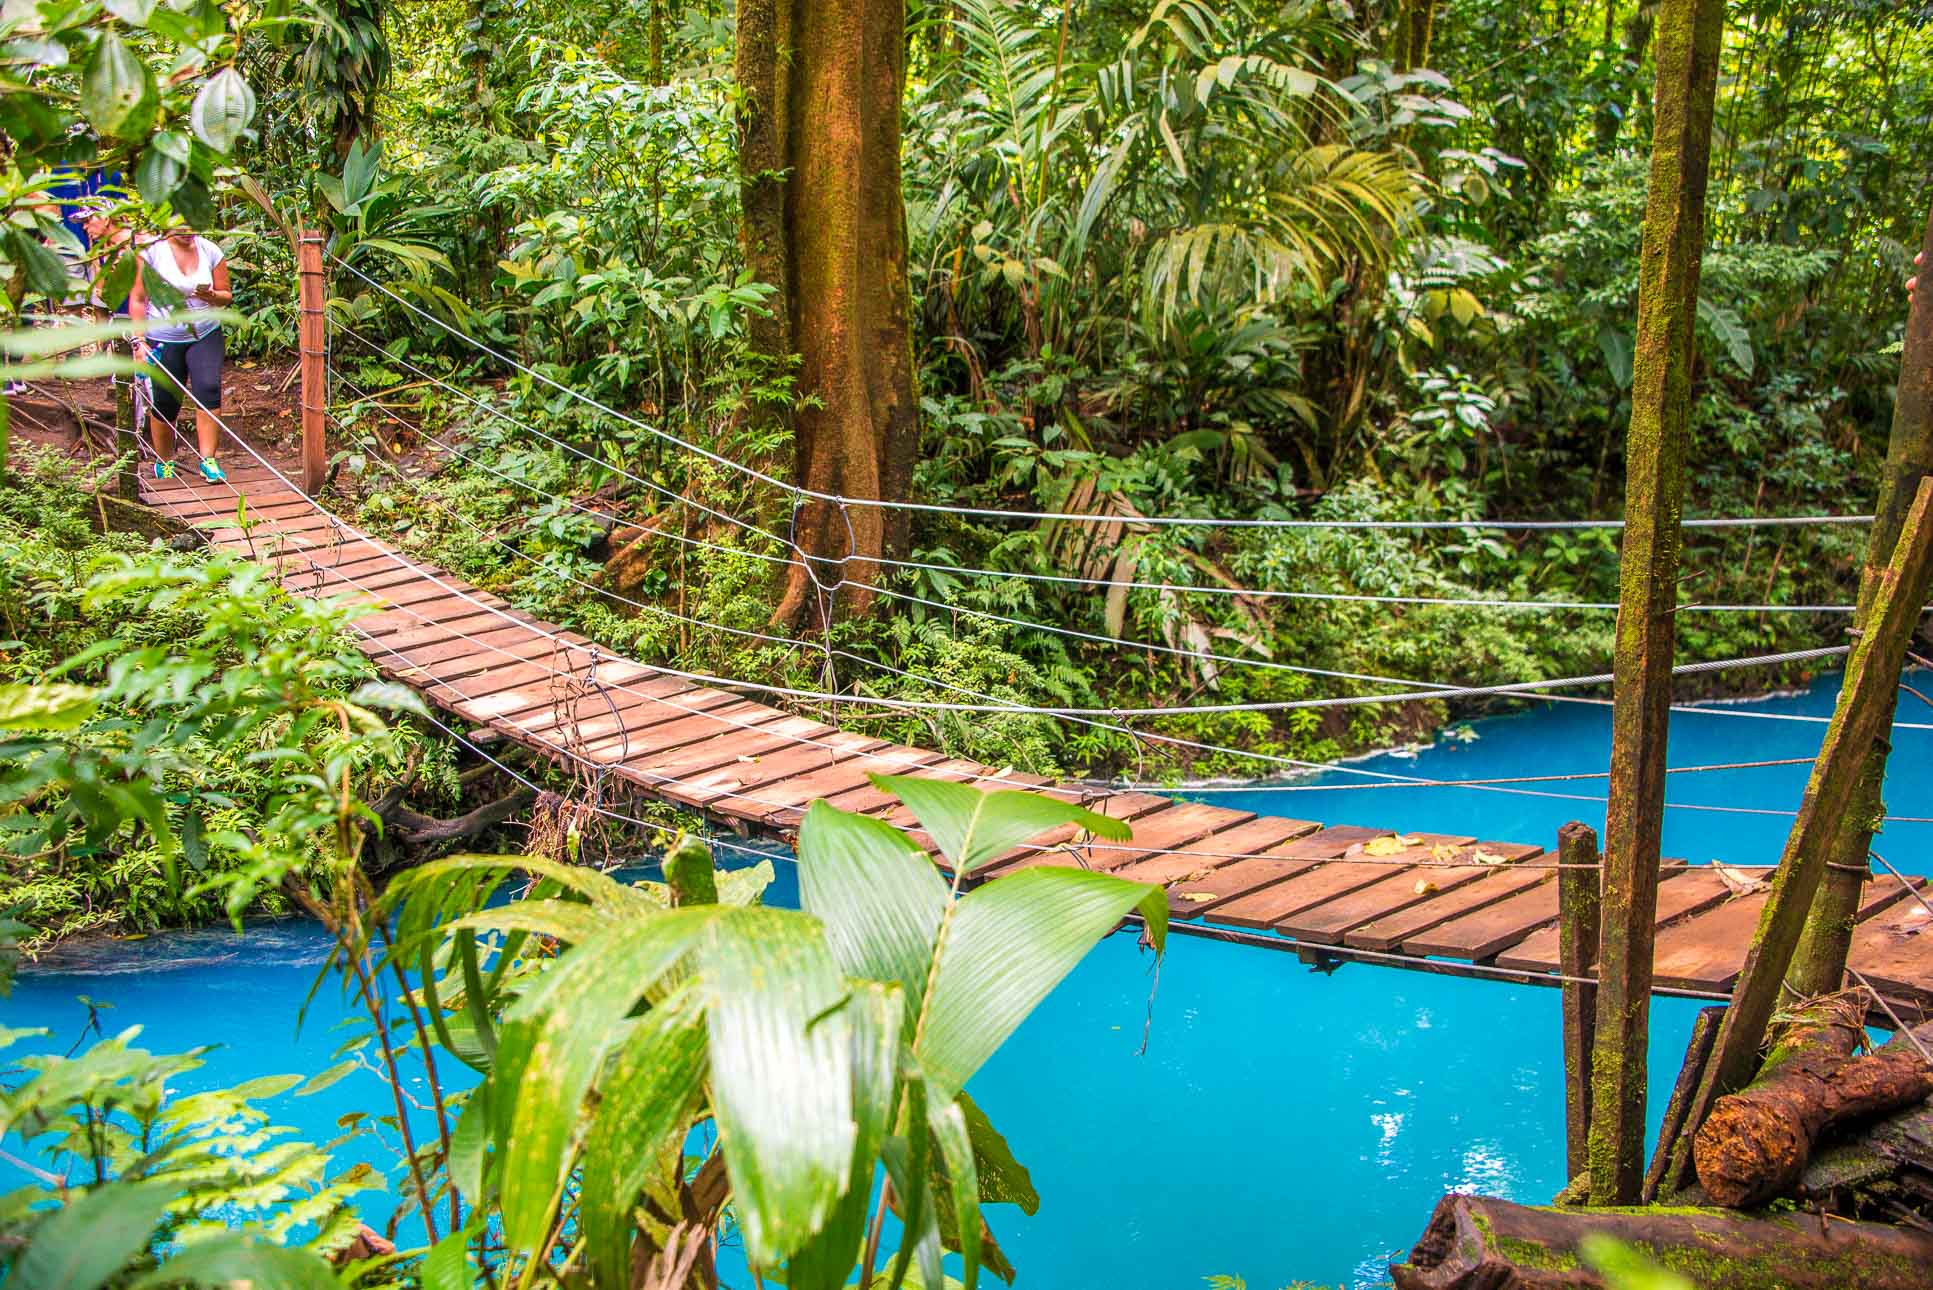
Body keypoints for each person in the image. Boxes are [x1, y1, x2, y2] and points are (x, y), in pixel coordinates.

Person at [127, 225, 233, 482]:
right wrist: (139, 342)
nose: (188, 230)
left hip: (204, 333)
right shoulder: (151, 254)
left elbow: (226, 295)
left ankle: (208, 460)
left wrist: (211, 296)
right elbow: (139, 298)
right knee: (166, 401)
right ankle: (164, 460)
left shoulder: (210, 250)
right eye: (181, 225)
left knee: (208, 388)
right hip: (163, 336)